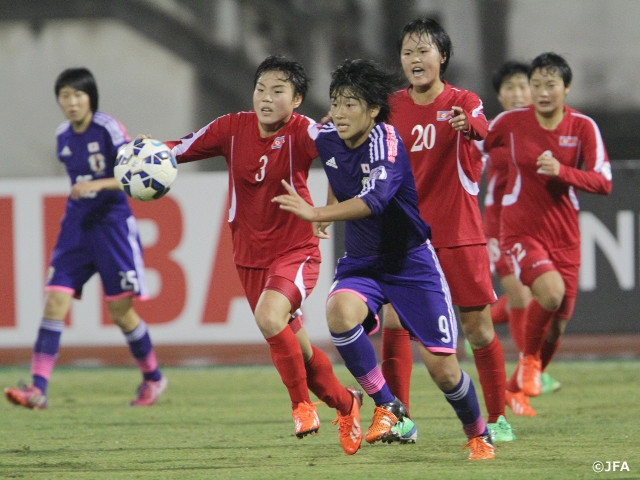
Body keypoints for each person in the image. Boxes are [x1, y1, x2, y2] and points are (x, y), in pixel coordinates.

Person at [273, 58, 495, 460]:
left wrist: (317, 214)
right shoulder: (326, 135)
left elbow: (374, 199)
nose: (339, 112)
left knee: (443, 370)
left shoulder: (386, 140)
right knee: (339, 313)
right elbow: (328, 165)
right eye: (336, 102)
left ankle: (478, 432)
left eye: (350, 104)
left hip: (410, 263)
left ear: (373, 110)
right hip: (363, 263)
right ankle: (389, 407)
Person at [161, 55, 362, 455]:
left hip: (296, 249)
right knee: (300, 353)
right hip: (249, 257)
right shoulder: (230, 128)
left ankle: (301, 406)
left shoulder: (305, 132)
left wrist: (324, 208)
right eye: (260, 89)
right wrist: (150, 151)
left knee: (269, 317)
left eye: (277, 91)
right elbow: (179, 148)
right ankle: (347, 403)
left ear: (297, 99)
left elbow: (345, 162)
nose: (266, 98)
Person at [4, 68, 167, 409]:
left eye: (78, 94)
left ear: (90, 97)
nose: (72, 102)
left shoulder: (107, 127)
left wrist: (96, 183)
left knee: (121, 312)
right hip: (76, 228)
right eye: (65, 96)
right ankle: (38, 389)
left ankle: (153, 378)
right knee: (54, 301)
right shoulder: (63, 135)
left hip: (112, 226)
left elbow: (132, 174)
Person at [383, 17, 513, 442]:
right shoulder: (390, 105)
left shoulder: (464, 101)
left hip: (458, 234)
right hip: (407, 237)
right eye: (407, 52)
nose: (414, 59)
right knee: (394, 321)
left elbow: (483, 128)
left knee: (477, 328)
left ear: (442, 56)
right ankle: (398, 419)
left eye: (423, 51)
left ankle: (498, 419)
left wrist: (466, 125)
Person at [484, 52, 612, 413]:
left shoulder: (583, 127)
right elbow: (475, 140)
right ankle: (524, 359)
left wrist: (562, 171)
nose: (539, 92)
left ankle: (515, 386)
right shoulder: (510, 122)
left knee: (556, 328)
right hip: (518, 228)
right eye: (535, 84)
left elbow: (604, 182)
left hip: (565, 233)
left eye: (548, 84)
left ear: (566, 88)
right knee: (543, 295)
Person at [478, 61, 561, 409]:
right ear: (499, 95)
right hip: (500, 224)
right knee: (522, 298)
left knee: (537, 299)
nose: (517, 93)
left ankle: (481, 324)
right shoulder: (498, 128)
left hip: (536, 224)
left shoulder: (542, 127)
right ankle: (524, 376)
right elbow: (474, 153)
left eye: (522, 86)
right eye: (509, 88)